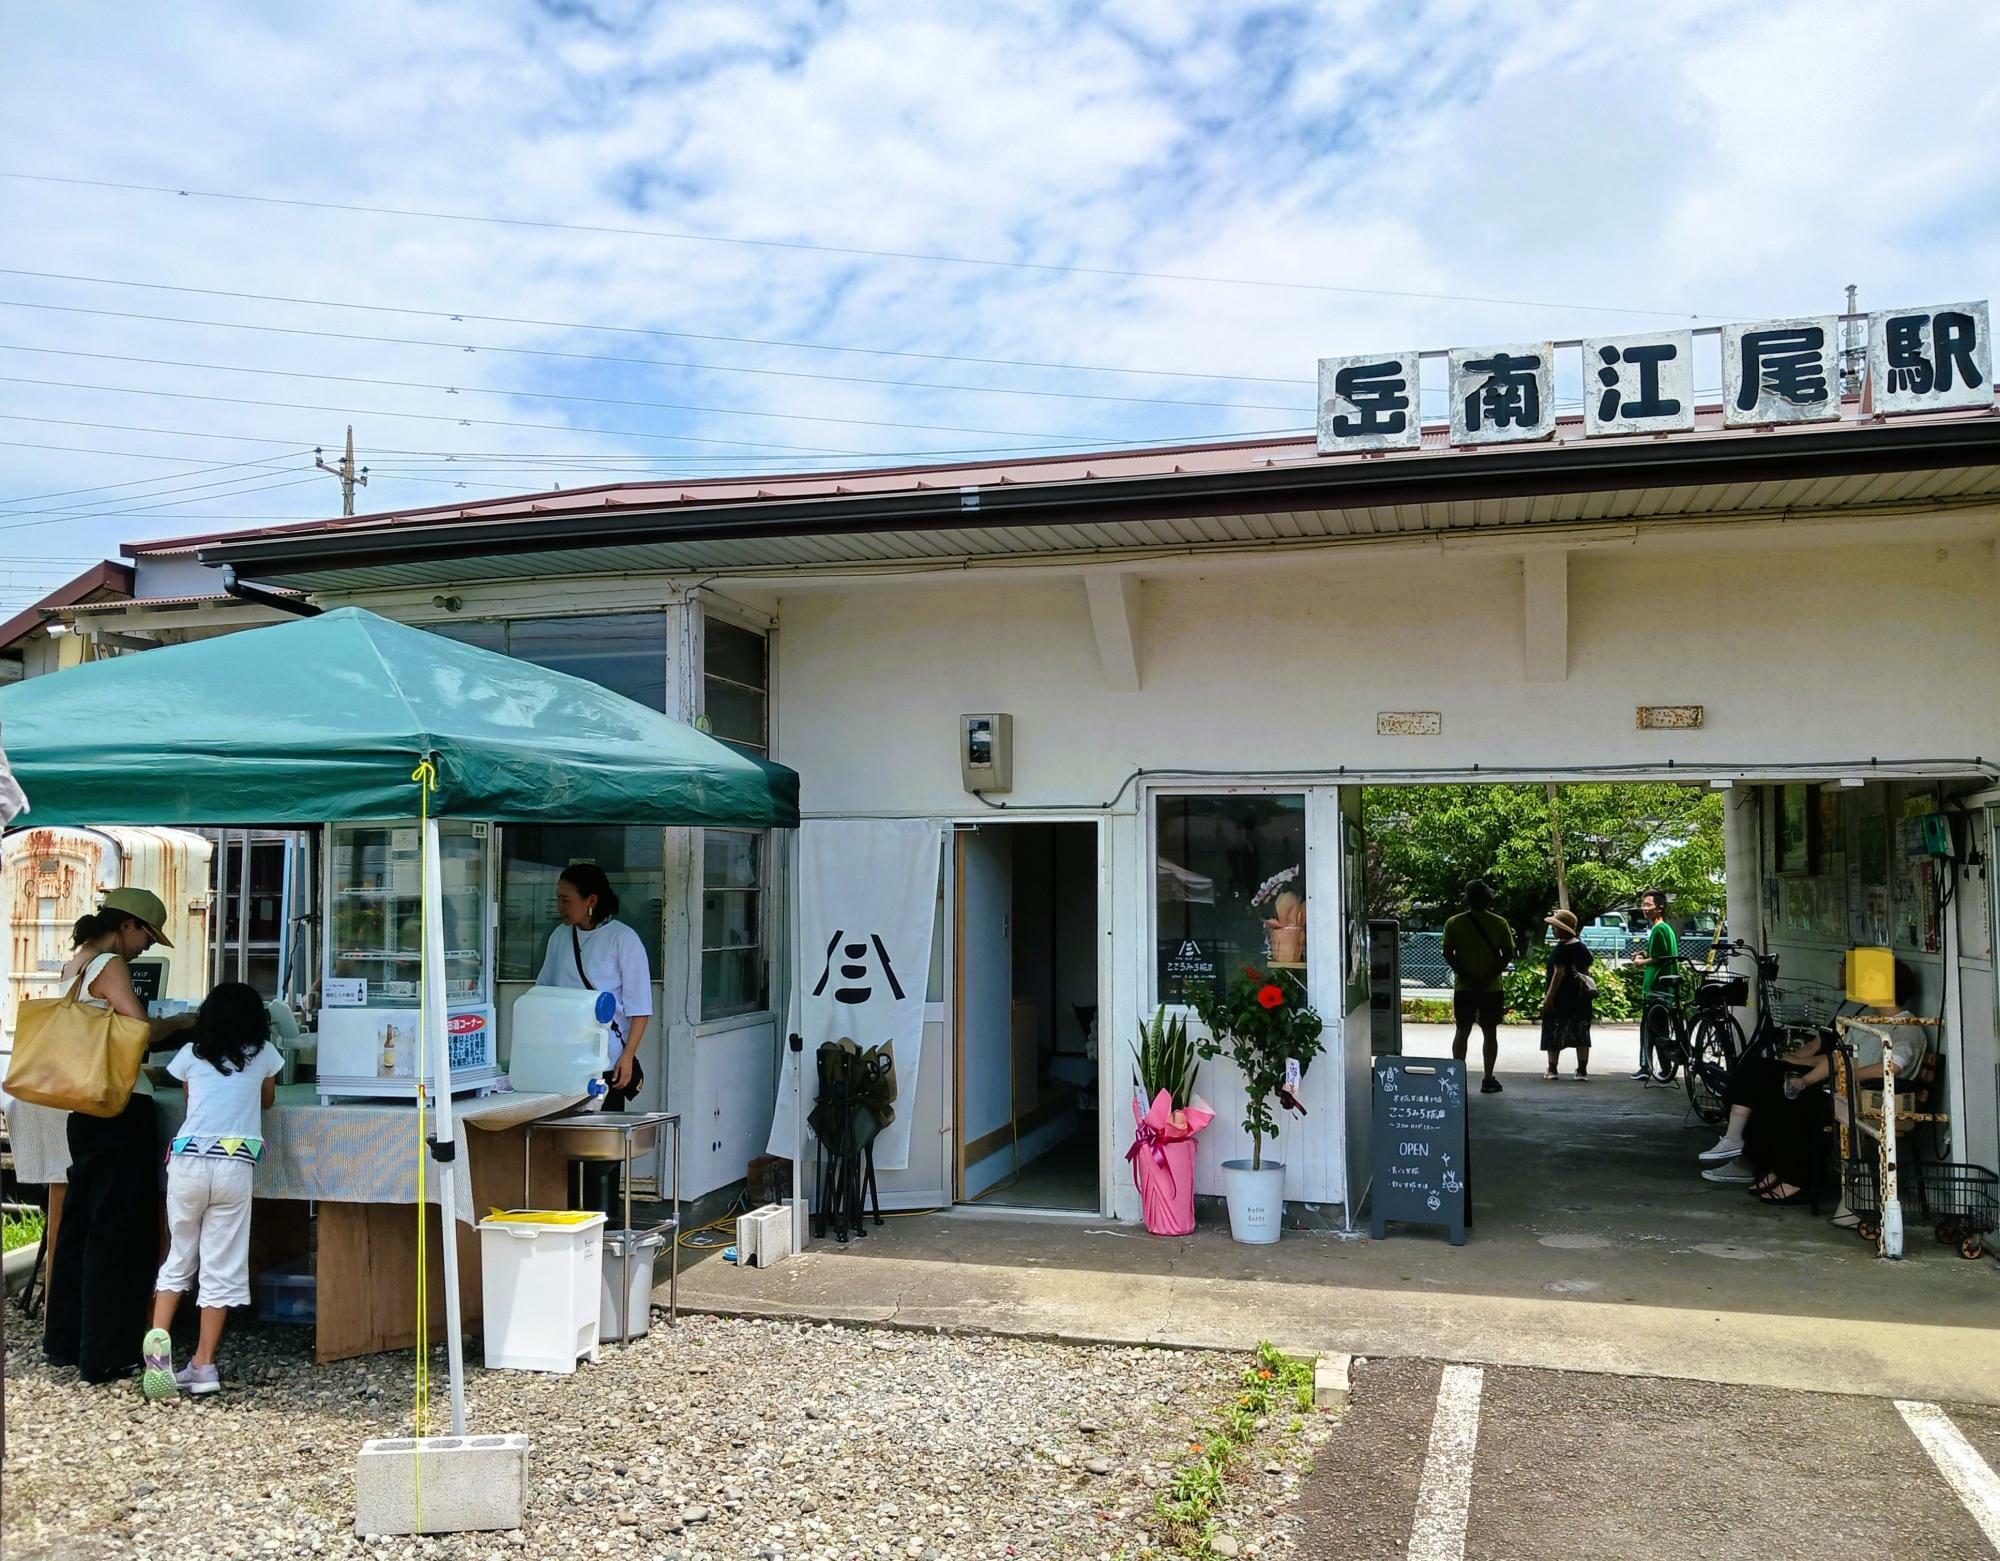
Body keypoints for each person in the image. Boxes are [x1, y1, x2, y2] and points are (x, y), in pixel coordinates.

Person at [44, 888, 195, 1384]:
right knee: (119, 1230)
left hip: (83, 1107)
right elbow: (139, 1029)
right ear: (126, 925)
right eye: (147, 935)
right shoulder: (109, 963)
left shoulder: (77, 962)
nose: (147, 947)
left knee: (81, 1225)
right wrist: (187, 1022)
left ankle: (66, 1339)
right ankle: (106, 1352)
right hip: (119, 1106)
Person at [141, 983, 286, 1398]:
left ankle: (158, 1359)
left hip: (188, 1161)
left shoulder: (191, 1054)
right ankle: (203, 1366)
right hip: (234, 1164)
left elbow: (190, 1100)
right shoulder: (265, 1055)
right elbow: (268, 1101)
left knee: (178, 1259)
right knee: (219, 1267)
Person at [536, 863, 653, 1217]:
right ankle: (571, 1222)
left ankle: (605, 1223)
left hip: (606, 1061)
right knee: (566, 1150)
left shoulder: (623, 939)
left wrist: (628, 1056)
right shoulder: (559, 937)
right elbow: (543, 991)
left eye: (565, 899)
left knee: (602, 1153)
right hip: (564, 1061)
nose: (559, 906)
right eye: (557, 898)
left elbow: (639, 1006)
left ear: (591, 900)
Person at [1441, 880, 1516, 1095]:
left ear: (1467, 899)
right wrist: (1487, 977)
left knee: (1462, 1031)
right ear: (1488, 899)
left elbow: (1447, 953)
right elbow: (1508, 954)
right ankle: (1488, 1078)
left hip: (1464, 987)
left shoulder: (1453, 923)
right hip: (1491, 988)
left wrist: (1466, 975)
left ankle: (1457, 1078)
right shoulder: (1499, 923)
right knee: (1490, 1033)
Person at [1629, 890, 1679, 1081]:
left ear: (1660, 907)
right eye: (1644, 904)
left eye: (1649, 905)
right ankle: (1665, 1068)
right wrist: (1644, 954)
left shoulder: (1659, 929)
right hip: (1665, 987)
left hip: (1656, 987)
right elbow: (1658, 953)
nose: (1644, 908)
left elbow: (1658, 957)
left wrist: (1641, 962)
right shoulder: (1665, 928)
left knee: (1649, 1030)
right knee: (1661, 1029)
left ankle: (1645, 1067)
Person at [1539, 909, 1595, 1080]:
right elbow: (1585, 970)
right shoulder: (1582, 947)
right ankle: (1581, 1071)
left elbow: (1559, 973)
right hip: (1580, 997)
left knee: (1554, 1030)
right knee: (1581, 1033)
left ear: (1563, 929)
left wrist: (1548, 999)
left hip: (1561, 997)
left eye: (1555, 927)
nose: (1553, 929)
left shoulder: (1561, 949)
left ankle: (1552, 1069)